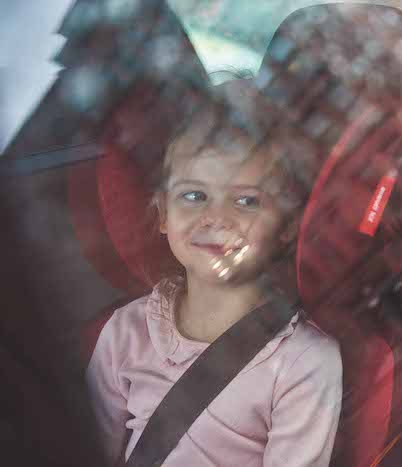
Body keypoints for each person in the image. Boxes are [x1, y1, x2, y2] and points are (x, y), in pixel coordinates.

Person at [85, 79, 343, 467]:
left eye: (246, 201)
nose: (216, 217)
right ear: (162, 213)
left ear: (288, 224)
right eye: (193, 195)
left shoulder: (304, 362)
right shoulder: (127, 332)